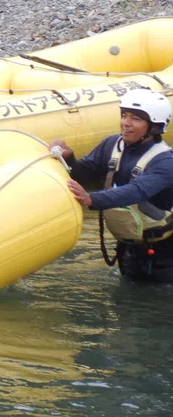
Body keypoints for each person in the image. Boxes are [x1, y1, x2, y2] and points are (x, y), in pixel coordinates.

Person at [51, 87, 173, 283]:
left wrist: (91, 199)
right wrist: (69, 158)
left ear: (154, 127)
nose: (126, 123)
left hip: (165, 254)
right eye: (124, 116)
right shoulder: (111, 144)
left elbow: (137, 191)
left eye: (135, 118)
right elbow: (85, 173)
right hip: (129, 248)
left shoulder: (165, 162)